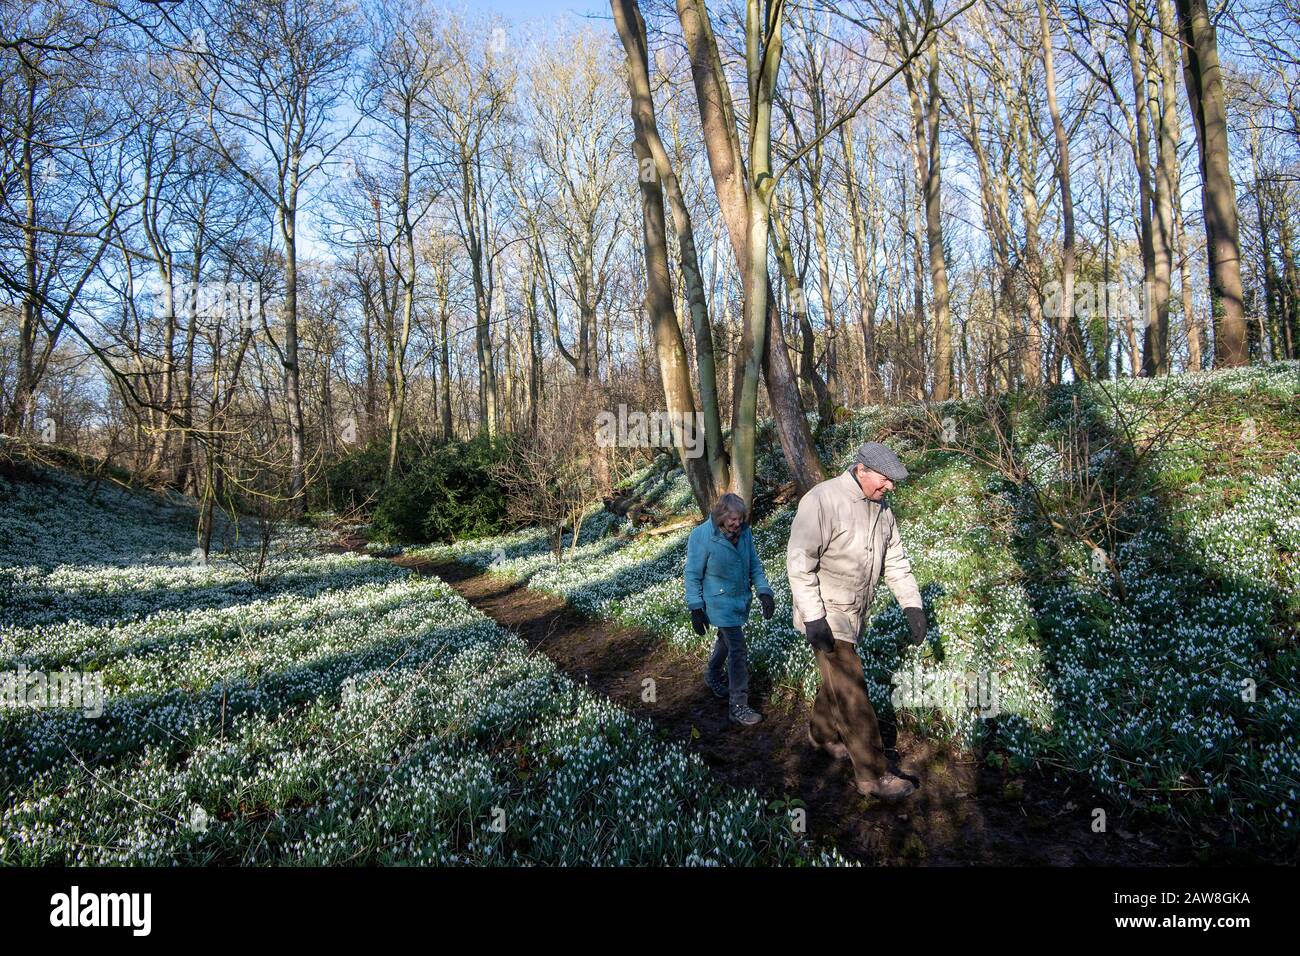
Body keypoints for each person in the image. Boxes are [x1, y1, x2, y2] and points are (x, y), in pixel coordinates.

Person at [786, 441, 928, 802]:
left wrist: (912, 606)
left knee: (836, 680)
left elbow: (896, 562)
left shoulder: (883, 512)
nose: (890, 487)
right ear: (861, 470)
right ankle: (873, 776)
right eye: (885, 480)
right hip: (826, 613)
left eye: (892, 482)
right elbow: (799, 562)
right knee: (852, 690)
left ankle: (821, 736)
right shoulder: (822, 500)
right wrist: (814, 618)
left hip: (854, 614)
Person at [683, 492, 775, 726]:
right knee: (738, 649)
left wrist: (764, 591)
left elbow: (753, 563)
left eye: (740, 519)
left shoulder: (744, 533)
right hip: (718, 602)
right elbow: (692, 574)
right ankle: (738, 705)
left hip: (739, 600)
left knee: (725, 642)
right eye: (733, 519)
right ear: (721, 516)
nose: (738, 524)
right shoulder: (702, 536)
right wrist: (696, 607)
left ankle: (712, 674)